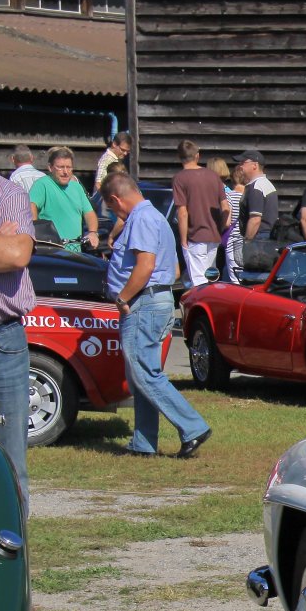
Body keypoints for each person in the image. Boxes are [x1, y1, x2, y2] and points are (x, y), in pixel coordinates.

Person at [98, 173, 211, 459]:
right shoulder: (157, 218)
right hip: (154, 299)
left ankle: (193, 427)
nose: (114, 213)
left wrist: (123, 297)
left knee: (144, 374)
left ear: (116, 199)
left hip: (143, 302)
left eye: (111, 208)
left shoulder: (141, 219)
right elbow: (174, 269)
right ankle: (143, 442)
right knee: (141, 374)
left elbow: (145, 266)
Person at [0, 172, 35, 504]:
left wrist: (4, 247)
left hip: (0, 344)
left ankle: (8, 535)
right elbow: (2, 253)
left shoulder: (6, 193)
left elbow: (17, 254)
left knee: (8, 462)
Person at [171, 140, 229, 288]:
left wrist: (183, 239)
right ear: (197, 155)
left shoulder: (180, 178)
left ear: (179, 157)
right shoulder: (213, 176)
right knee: (210, 280)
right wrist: (220, 228)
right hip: (213, 236)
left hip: (195, 236)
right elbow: (226, 207)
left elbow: (182, 212)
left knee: (199, 283)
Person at [28, 146, 100, 255]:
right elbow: (31, 206)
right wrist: (35, 233)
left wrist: (93, 232)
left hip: (75, 251)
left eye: (69, 167)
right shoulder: (42, 184)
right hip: (52, 251)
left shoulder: (77, 187)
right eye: (60, 167)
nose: (65, 172)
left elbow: (89, 213)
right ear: (50, 167)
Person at [210, 156, 243, 280]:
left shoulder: (225, 193)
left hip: (226, 236)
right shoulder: (231, 191)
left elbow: (226, 218)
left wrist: (219, 230)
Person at [236, 149, 278, 246]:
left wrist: (247, 242)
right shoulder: (266, 183)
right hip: (266, 236)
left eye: (243, 162)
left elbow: (255, 219)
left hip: (258, 237)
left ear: (255, 165)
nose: (240, 166)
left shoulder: (256, 187)